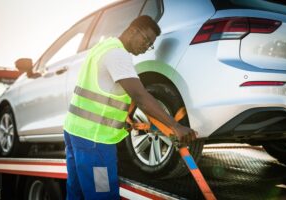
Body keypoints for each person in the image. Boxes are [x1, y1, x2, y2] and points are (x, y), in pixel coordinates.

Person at [63, 15, 198, 200]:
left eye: (150, 44)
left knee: (76, 192)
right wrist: (175, 125)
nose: (146, 47)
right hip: (95, 142)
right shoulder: (118, 55)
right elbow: (141, 97)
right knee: (101, 194)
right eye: (146, 40)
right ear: (133, 30)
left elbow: (107, 92)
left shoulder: (104, 46)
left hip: (75, 132)